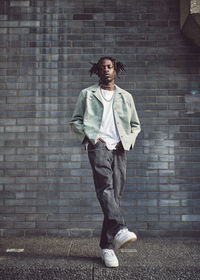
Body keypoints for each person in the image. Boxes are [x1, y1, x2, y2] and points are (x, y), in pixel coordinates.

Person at [70, 57, 141, 268]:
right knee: (105, 189)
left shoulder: (126, 96)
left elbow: (135, 125)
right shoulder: (87, 94)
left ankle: (107, 248)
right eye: (102, 68)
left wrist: (126, 140)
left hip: (119, 148)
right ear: (97, 72)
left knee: (114, 196)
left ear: (116, 70)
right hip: (97, 146)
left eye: (109, 67)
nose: (106, 70)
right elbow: (75, 121)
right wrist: (91, 136)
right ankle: (119, 229)